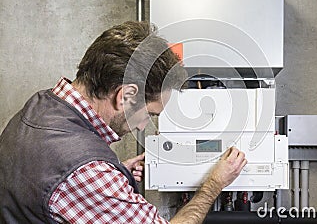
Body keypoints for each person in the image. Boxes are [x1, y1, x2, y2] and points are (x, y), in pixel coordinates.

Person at [0, 21, 247, 224]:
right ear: (126, 95)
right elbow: (79, 177)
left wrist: (116, 174)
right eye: (150, 114)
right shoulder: (90, 175)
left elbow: (57, 181)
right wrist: (212, 186)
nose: (142, 127)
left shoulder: (40, 105)